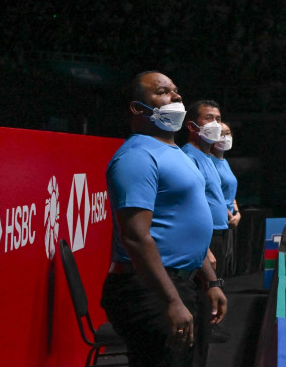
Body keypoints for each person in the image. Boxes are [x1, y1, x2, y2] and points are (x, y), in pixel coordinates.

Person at [102, 72, 226, 367]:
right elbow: (135, 236)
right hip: (150, 289)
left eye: (175, 90)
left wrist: (212, 281)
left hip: (182, 282)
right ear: (138, 108)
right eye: (162, 91)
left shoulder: (176, 153)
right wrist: (170, 301)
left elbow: (186, 229)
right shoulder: (137, 156)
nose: (176, 96)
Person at [180, 100, 231, 364]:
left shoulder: (208, 157)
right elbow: (187, 209)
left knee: (207, 308)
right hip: (204, 242)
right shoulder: (188, 157)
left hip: (217, 234)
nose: (215, 124)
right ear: (192, 125)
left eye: (218, 118)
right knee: (200, 310)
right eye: (208, 118)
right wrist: (204, 248)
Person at [211, 122, 240, 277]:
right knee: (214, 273)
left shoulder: (225, 162)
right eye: (220, 134)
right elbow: (213, 194)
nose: (225, 137)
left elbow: (229, 192)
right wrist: (229, 215)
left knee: (222, 272)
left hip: (227, 222)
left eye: (228, 133)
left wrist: (237, 212)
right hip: (215, 224)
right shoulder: (209, 162)